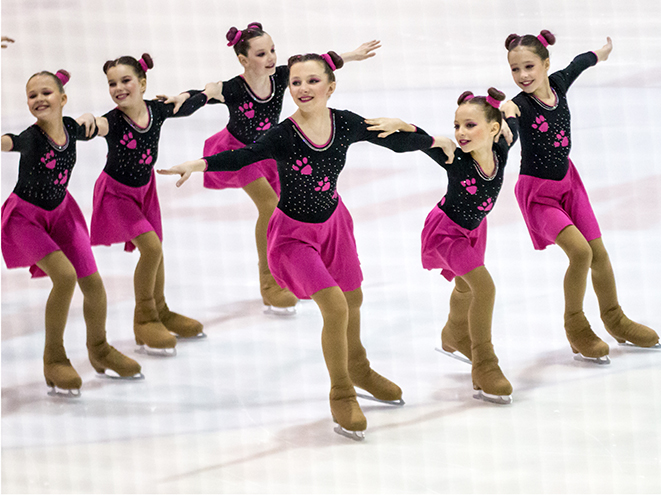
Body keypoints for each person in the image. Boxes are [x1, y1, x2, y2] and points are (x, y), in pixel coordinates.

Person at [158, 52, 455, 440]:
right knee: (333, 305)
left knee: (353, 299)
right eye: (296, 82)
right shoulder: (283, 134)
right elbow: (244, 155)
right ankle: (341, 392)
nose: (303, 88)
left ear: (330, 87)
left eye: (313, 81)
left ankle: (359, 367)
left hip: (334, 225)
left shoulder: (345, 123)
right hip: (292, 236)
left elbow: (395, 140)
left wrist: (432, 138)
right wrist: (198, 164)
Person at [161, 23, 381, 315]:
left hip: (272, 150)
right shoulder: (234, 88)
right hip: (240, 152)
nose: (271, 58)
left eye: (273, 50)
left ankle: (299, 272)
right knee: (269, 205)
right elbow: (201, 96)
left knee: (288, 211)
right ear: (243, 60)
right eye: (262, 53)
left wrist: (353, 55)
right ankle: (269, 284)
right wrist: (182, 98)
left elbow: (325, 64)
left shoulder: (282, 78)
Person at [501, 31, 661, 364]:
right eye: (515, 70)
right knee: (580, 252)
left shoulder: (558, 84)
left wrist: (601, 52)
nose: (523, 76)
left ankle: (615, 318)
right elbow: (511, 130)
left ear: (546, 64)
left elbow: (580, 63)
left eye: (529, 66)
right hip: (538, 195)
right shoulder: (519, 106)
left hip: (569, 184)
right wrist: (504, 123)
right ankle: (576, 326)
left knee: (598, 252)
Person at [367, 88, 518, 404]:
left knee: (465, 287)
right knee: (483, 288)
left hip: (476, 229)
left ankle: (454, 334)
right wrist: (404, 126)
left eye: (470, 125)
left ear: (492, 128)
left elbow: (515, 115)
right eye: (457, 126)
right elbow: (415, 141)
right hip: (446, 232)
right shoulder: (454, 157)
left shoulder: (502, 146)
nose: (461, 133)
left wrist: (510, 107)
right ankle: (485, 364)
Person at [1, 69, 142, 396]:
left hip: (63, 213)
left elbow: (99, 125)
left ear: (63, 99)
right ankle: (54, 359)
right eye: (33, 95)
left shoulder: (72, 129)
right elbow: (9, 141)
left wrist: (95, 118)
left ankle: (100, 349)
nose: (39, 99)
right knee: (64, 277)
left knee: (93, 284)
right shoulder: (32, 137)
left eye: (46, 93)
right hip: (26, 217)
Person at [82, 54, 212, 356]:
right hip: (116, 194)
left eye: (125, 80)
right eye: (112, 83)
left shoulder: (156, 110)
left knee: (157, 250)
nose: (118, 88)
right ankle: (144, 318)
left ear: (142, 83)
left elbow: (189, 105)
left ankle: (162, 310)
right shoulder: (112, 121)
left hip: (145, 190)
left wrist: (197, 94)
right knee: (151, 249)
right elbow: (88, 128)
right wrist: (84, 120)